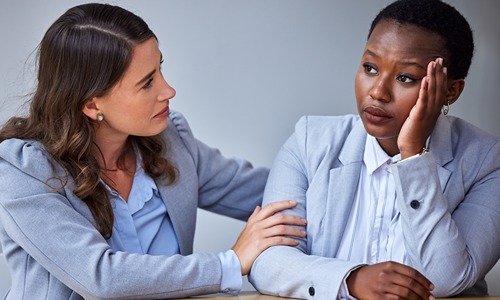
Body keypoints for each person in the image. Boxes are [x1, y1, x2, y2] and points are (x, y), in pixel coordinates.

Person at [0, 3, 307, 299]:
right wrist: (230, 263)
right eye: (147, 83)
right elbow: (101, 279)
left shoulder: (172, 141)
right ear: (93, 105)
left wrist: (337, 162)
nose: (168, 91)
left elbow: (272, 191)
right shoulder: (22, 170)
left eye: (159, 69)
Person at [248, 0, 500, 299]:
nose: (378, 92)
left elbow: (445, 279)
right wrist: (350, 280)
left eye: (405, 77)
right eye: (370, 67)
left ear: (450, 91)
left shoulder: (486, 161)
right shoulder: (310, 142)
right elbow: (266, 262)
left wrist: (414, 157)